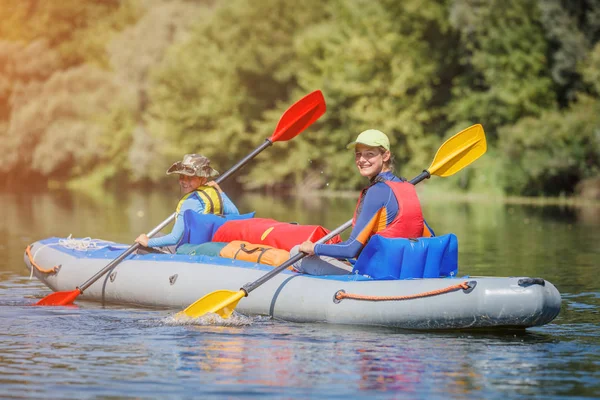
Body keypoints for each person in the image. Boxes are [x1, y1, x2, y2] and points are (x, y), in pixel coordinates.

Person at [292, 129, 425, 275]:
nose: (361, 160)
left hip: (377, 275)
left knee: (295, 254)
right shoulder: (407, 187)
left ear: (385, 155)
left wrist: (314, 248)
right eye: (358, 154)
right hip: (404, 270)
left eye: (370, 154)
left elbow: (350, 249)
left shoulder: (377, 191)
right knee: (334, 255)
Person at [135, 154, 239, 253]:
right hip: (207, 248)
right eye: (182, 177)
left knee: (148, 242)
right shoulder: (215, 195)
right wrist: (220, 192)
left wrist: (148, 242)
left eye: (190, 178)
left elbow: (174, 238)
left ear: (203, 179)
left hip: (188, 252)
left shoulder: (190, 202)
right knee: (157, 235)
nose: (184, 181)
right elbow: (235, 214)